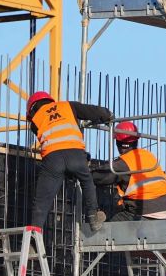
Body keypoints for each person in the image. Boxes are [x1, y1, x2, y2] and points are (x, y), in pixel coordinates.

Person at [27, 91, 110, 231]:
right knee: (87, 181)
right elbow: (93, 111)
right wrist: (106, 115)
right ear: (51, 100)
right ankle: (93, 217)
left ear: (32, 109)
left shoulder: (35, 121)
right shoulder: (67, 106)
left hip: (52, 160)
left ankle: (33, 240)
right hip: (75, 155)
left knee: (41, 201)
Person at [92, 121, 166, 222]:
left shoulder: (123, 163)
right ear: (136, 141)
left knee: (110, 230)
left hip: (146, 212)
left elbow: (99, 177)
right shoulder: (148, 155)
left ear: (118, 143)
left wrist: (83, 171)